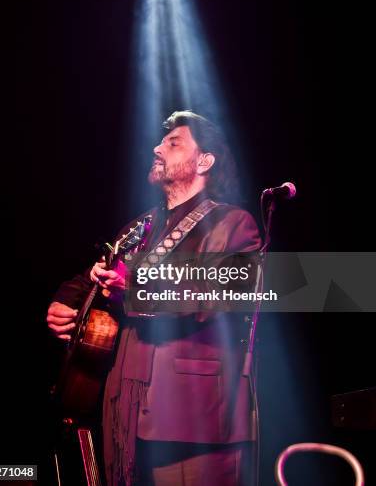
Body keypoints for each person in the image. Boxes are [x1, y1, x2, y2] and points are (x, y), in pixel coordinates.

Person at [47, 110, 261, 485]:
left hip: (190, 418)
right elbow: (89, 278)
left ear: (205, 160)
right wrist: (64, 303)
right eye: (161, 141)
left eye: (173, 142)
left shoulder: (232, 223)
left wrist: (131, 289)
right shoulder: (139, 227)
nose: (156, 148)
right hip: (121, 412)